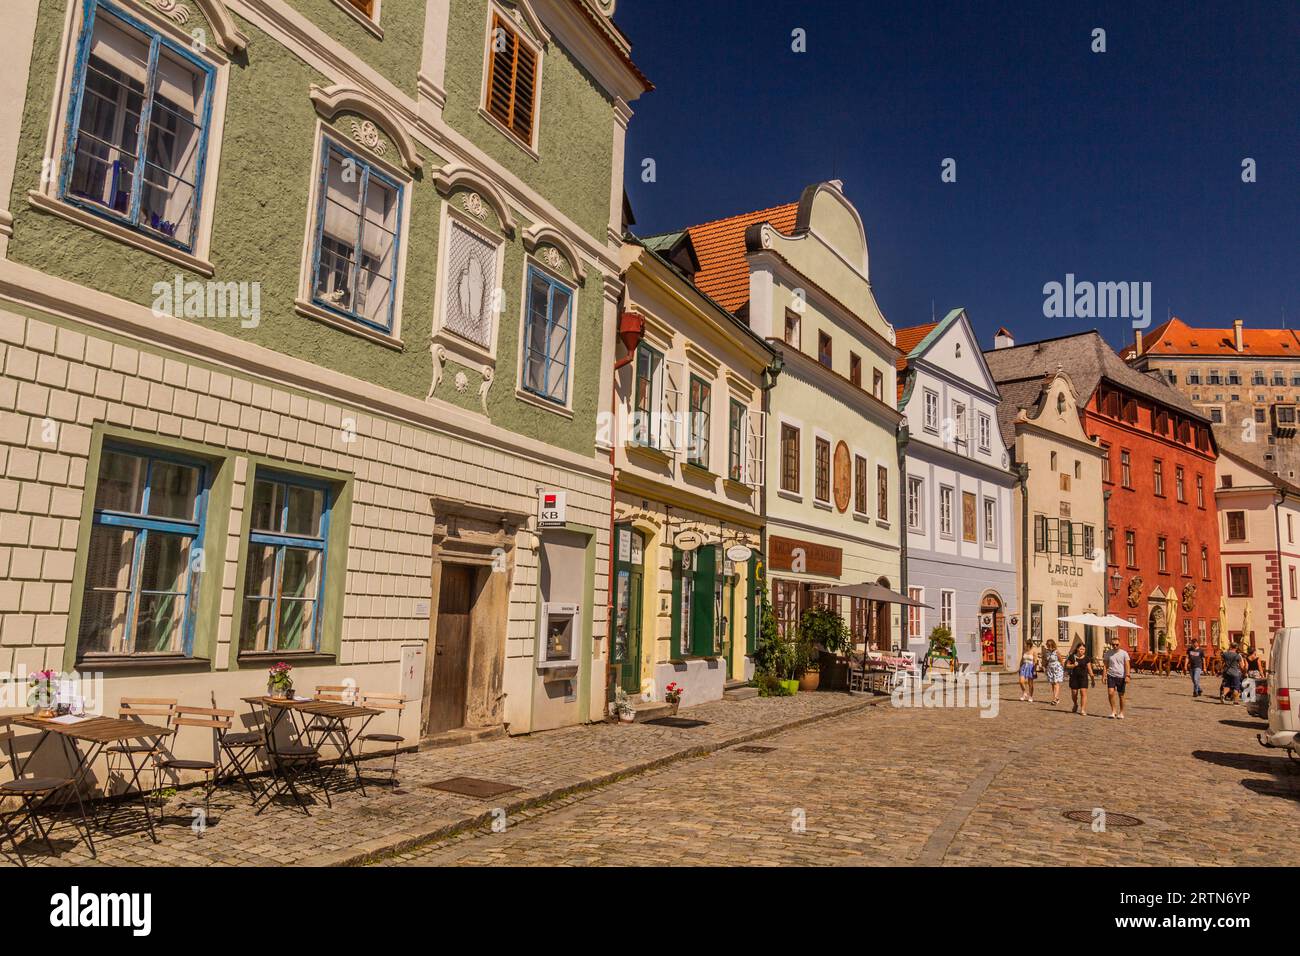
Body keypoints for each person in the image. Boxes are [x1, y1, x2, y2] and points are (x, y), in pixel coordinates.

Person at [1104, 637, 1131, 718]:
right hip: (1111, 675)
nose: (1115, 646)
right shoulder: (1108, 653)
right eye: (1113, 645)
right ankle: (1113, 711)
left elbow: (1127, 665)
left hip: (1121, 676)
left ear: (1120, 644)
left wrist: (1127, 675)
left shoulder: (1124, 653)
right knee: (1110, 693)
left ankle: (1121, 712)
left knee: (1121, 695)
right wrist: (1104, 675)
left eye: (1117, 644)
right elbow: (1105, 665)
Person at [1065, 641, 1094, 715]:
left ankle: (1083, 709)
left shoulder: (1087, 658)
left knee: (1083, 692)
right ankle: (1075, 704)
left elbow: (1090, 669)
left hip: (1083, 677)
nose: (1082, 651)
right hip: (1074, 677)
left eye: (1083, 649)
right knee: (1074, 693)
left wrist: (1092, 679)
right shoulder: (1072, 656)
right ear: (1077, 649)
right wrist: (1073, 665)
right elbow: (1067, 666)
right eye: (1081, 649)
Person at [1042, 638, 1064, 705]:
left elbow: (1061, 660)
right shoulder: (1047, 652)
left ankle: (1055, 698)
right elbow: (1046, 660)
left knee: (1056, 683)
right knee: (1052, 683)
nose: (1047, 646)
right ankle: (1056, 698)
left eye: (1048, 644)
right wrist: (1044, 667)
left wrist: (1064, 670)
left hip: (1057, 668)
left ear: (1051, 644)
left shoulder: (1056, 652)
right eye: (1047, 644)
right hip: (1050, 668)